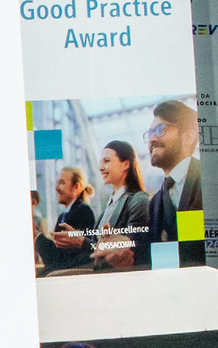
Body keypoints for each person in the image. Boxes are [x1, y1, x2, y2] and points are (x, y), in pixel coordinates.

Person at [141, 99, 203, 268]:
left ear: (188, 136)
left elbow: (195, 246)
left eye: (160, 130)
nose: (152, 139)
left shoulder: (207, 181)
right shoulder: (156, 202)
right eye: (150, 133)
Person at [88, 140, 148, 271]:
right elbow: (95, 248)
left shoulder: (139, 200)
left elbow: (136, 248)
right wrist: (79, 240)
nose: (101, 168)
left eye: (107, 161)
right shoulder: (109, 206)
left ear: (125, 164)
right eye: (101, 162)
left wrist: (81, 242)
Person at [36, 167, 97, 273]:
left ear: (76, 187)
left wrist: (38, 239)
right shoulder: (63, 215)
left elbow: (69, 257)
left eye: (62, 183)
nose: (57, 188)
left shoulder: (83, 211)